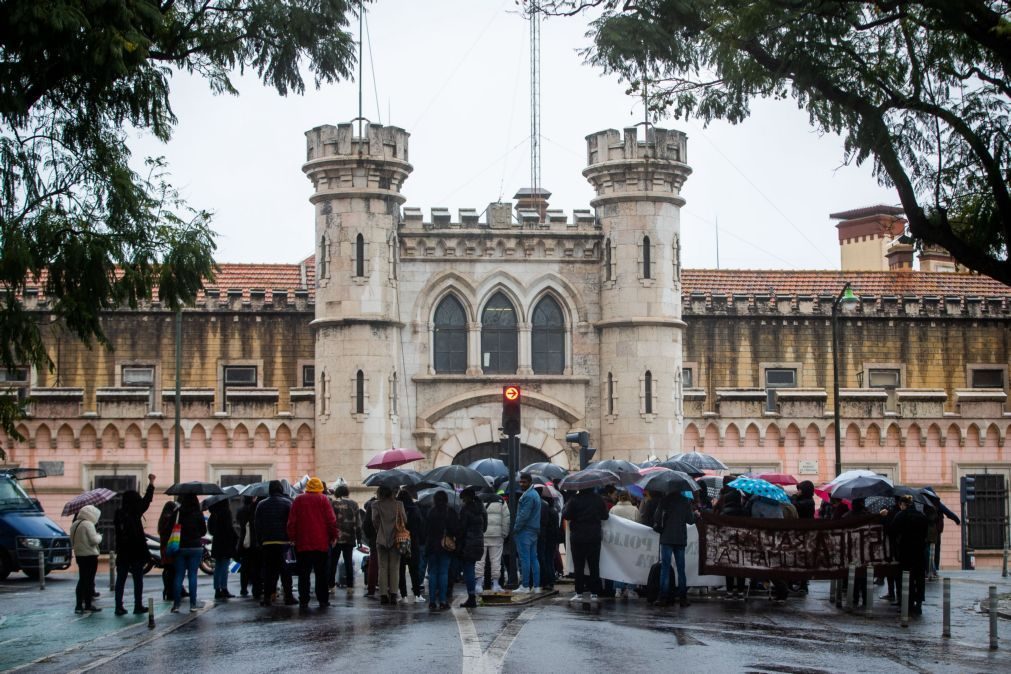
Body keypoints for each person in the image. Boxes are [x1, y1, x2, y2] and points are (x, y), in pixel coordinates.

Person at [287, 476, 338, 608]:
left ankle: (304, 599)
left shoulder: (298, 500)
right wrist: (334, 536)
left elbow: (292, 522)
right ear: (320, 488)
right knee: (321, 573)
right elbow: (331, 521)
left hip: (302, 544)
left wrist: (292, 538)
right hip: (321, 544)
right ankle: (323, 599)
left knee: (304, 574)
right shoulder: (323, 499)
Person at [113, 473, 156, 615]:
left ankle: (118, 607)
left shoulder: (118, 514)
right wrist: (151, 483)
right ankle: (138, 605)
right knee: (138, 580)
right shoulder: (135, 513)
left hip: (123, 551)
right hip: (136, 551)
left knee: (121, 580)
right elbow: (147, 501)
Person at [562, 486, 609, 602]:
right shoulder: (598, 499)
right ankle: (594, 593)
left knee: (579, 566)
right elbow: (605, 516)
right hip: (594, 536)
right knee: (594, 566)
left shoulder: (574, 499)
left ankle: (579, 593)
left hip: (578, 537)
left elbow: (566, 515)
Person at [255, 480, 297, 607]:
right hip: (284, 542)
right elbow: (292, 523)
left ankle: (267, 597)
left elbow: (257, 525)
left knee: (269, 572)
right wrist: (292, 539)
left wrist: (260, 541)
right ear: (281, 489)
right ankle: (288, 597)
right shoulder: (288, 503)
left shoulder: (261, 504)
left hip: (268, 542)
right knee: (286, 571)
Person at [652, 490, 695, 607]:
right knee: (681, 569)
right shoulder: (685, 501)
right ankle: (683, 598)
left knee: (665, 569)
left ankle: (662, 598)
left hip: (666, 538)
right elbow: (690, 520)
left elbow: (656, 517)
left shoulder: (664, 501)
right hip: (680, 538)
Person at [890, 494, 929, 615]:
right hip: (919, 551)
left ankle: (908, 603)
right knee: (919, 577)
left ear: (903, 504)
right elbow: (925, 534)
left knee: (907, 578)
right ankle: (919, 604)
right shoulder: (922, 516)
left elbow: (892, 531)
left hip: (905, 551)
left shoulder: (901, 515)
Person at [371, 484, 407, 605]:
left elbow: (374, 520)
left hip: (381, 538)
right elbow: (405, 520)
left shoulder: (376, 504)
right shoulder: (399, 504)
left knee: (382, 567)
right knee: (394, 567)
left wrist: (379, 529)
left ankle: (383, 595)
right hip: (396, 538)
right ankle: (393, 594)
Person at [424, 489, 459, 611]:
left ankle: (432, 601)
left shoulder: (430, 512)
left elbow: (426, 530)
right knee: (444, 573)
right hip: (445, 547)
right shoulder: (450, 512)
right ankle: (443, 600)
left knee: (433, 573)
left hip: (432, 546)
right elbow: (455, 530)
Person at [172, 494, 207, 613]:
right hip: (195, 547)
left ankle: (176, 605)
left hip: (180, 546)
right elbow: (203, 531)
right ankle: (192, 604)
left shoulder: (178, 512)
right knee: (193, 575)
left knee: (179, 576)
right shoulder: (198, 513)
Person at [457, 487, 487, 608]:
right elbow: (484, 527)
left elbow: (462, 529)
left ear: (467, 497)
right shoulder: (481, 509)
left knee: (468, 569)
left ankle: (471, 597)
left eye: (463, 498)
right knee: (472, 567)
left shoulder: (465, 510)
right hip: (479, 542)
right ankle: (472, 596)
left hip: (468, 543)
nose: (463, 501)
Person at [70, 505, 103, 613]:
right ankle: (88, 605)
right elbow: (94, 540)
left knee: (82, 579)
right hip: (90, 555)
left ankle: (78, 605)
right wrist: (99, 536)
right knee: (89, 580)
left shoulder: (74, 524)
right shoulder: (88, 524)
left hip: (79, 555)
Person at [329, 483, 362, 593]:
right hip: (350, 537)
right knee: (348, 561)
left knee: (333, 562)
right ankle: (350, 587)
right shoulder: (354, 504)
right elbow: (358, 523)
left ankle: (331, 586)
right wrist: (359, 538)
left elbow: (330, 521)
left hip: (335, 538)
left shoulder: (333, 504)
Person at [512, 473, 541, 593]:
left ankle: (525, 586)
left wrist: (515, 528)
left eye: (524, 482)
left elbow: (523, 515)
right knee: (533, 558)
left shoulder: (528, 495)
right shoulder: (535, 494)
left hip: (525, 531)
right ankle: (536, 586)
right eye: (520, 482)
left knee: (525, 559)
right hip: (534, 530)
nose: (521, 484)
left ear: (529, 482)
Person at [716, 489, 748, 599]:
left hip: (728, 542)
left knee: (728, 567)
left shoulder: (725, 512)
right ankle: (740, 591)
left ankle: (729, 591)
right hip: (741, 542)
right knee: (741, 567)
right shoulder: (744, 511)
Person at [397, 489, 426, 603]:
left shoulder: (398, 510)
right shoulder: (415, 510)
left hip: (400, 542)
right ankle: (417, 594)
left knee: (401, 570)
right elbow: (421, 527)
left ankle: (403, 595)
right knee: (414, 570)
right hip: (413, 543)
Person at [609, 490, 638, 598]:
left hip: (617, 542)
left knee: (618, 565)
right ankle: (630, 589)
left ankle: (618, 589)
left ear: (619, 497)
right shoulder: (634, 510)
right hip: (632, 542)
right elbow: (639, 525)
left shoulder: (613, 509)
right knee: (631, 564)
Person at [478, 490, 510, 592]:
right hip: (497, 535)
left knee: (479, 560)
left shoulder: (478, 499)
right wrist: (504, 533)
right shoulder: (500, 500)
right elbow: (506, 518)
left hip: (481, 534)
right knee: (496, 560)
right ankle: (495, 584)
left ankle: (478, 584)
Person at [208, 498, 237, 600]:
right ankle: (224, 588)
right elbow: (229, 529)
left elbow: (211, 530)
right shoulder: (226, 512)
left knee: (218, 567)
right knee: (224, 567)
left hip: (217, 543)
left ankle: (217, 589)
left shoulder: (214, 513)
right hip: (225, 543)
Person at [235, 496, 261, 599]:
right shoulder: (256, 508)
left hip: (244, 542)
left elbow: (238, 523)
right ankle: (256, 589)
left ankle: (243, 588)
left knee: (244, 567)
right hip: (255, 543)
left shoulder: (241, 510)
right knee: (256, 567)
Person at [536, 486, 560, 592]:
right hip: (553, 538)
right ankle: (551, 580)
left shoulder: (545, 509)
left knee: (545, 559)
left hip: (547, 537)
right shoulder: (554, 510)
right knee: (549, 559)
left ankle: (547, 581)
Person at [157, 500, 182, 601]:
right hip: (170, 546)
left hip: (164, 547)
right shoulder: (170, 519)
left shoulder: (162, 519)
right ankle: (170, 591)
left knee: (167, 569)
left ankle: (167, 590)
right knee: (173, 570)